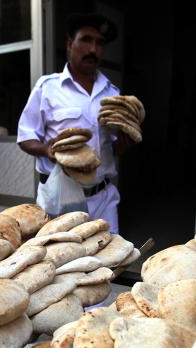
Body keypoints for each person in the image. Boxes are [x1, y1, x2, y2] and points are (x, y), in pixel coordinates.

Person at [17, 13, 135, 233]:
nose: (93, 49)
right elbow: (25, 137)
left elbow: (111, 148)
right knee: (61, 262)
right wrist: (45, 149)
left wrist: (124, 144)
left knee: (108, 262)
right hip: (60, 199)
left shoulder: (112, 94)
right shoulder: (48, 88)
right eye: (86, 40)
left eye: (100, 43)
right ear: (70, 44)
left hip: (103, 199)